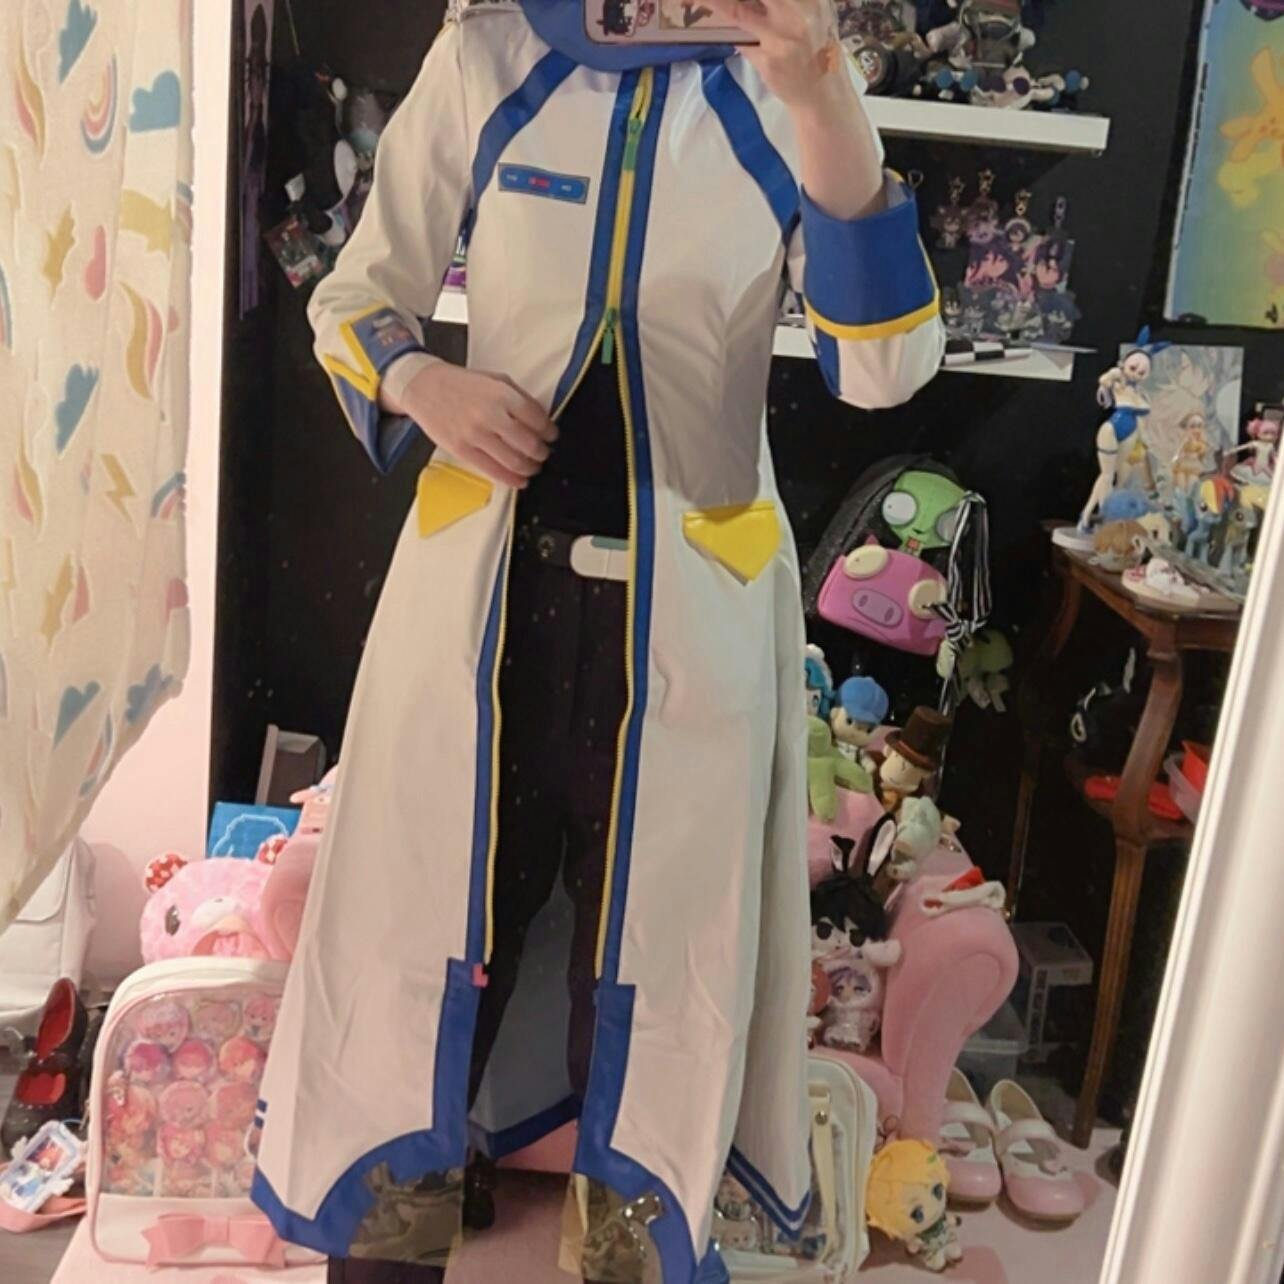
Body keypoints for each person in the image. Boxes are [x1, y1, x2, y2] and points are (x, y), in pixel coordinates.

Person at [251, 1, 943, 1281]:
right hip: (483, 620)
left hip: (689, 635)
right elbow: (355, 296)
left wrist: (821, 89)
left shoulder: (781, 80)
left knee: (659, 1001)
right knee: (416, 977)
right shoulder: (492, 56)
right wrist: (424, 382)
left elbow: (887, 367)